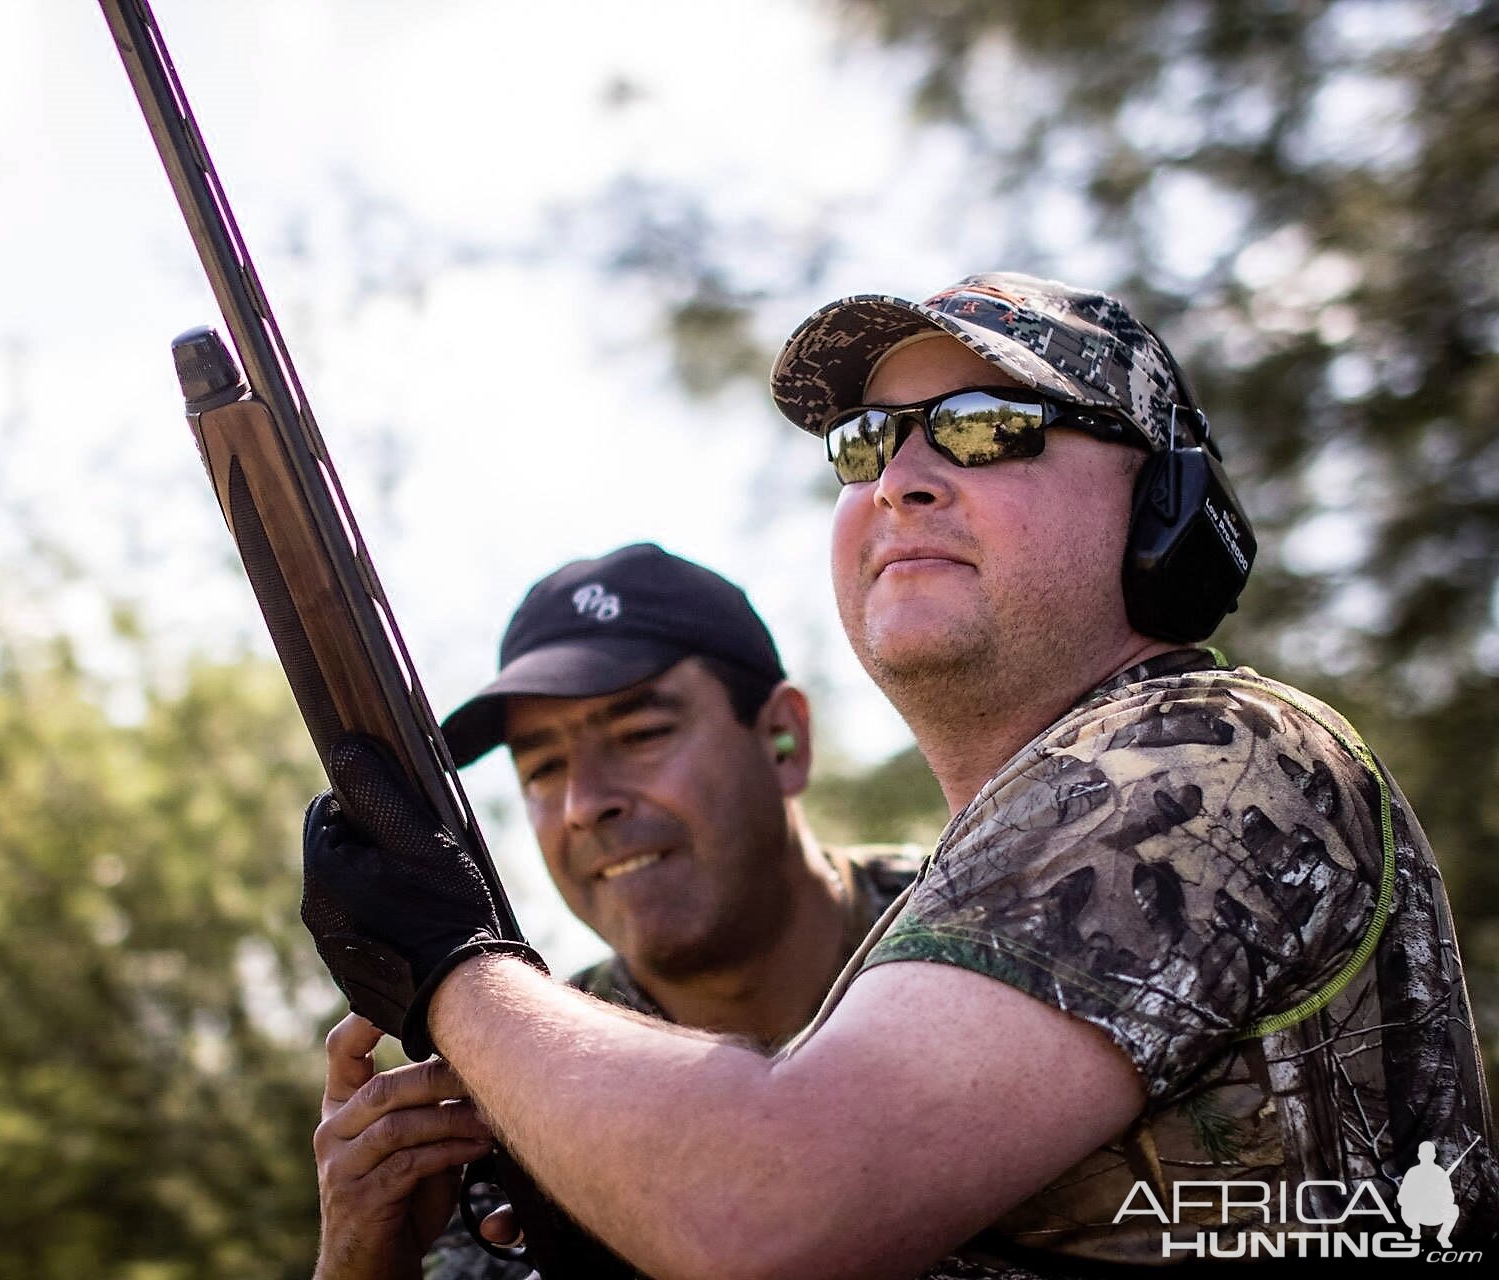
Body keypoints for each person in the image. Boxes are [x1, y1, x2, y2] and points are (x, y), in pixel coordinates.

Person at [301, 273, 1498, 1275]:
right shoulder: (944, 919)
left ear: (1162, 503)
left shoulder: (1214, 757)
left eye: (987, 424)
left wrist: (456, 966)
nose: (899, 475)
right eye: (866, 440)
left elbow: (776, 1203)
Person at [309, 543, 919, 1280]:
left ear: (784, 738)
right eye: (543, 767)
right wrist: (360, 1262)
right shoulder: (502, 1097)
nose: (584, 803)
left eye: (640, 736)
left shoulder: (984, 921)